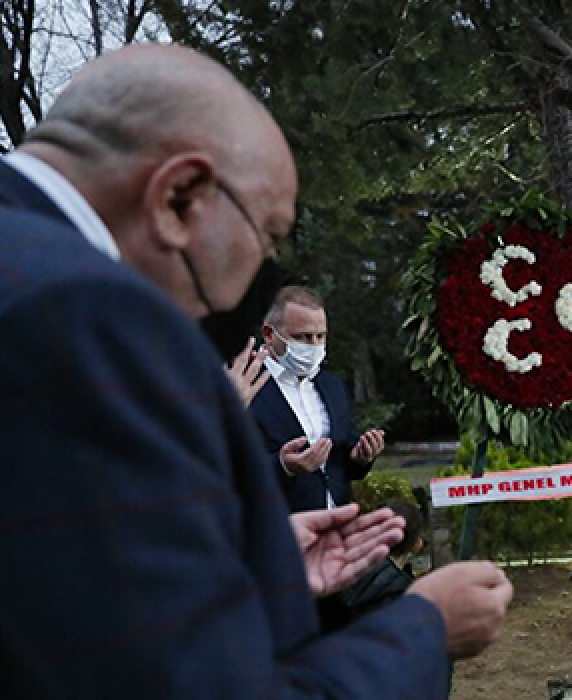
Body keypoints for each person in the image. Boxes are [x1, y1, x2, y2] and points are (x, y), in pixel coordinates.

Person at [0, 43, 511, 697]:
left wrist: (257, 569)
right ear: (179, 198)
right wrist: (425, 628)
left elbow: (62, 602)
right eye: (267, 236)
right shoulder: (90, 318)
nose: (262, 269)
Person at [250, 286, 385, 513]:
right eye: (301, 337)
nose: (312, 345)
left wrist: (360, 456)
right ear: (269, 334)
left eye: (320, 336)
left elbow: (341, 460)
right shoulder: (244, 385)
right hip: (279, 528)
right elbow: (227, 467)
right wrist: (283, 466)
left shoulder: (331, 385)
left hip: (337, 523)